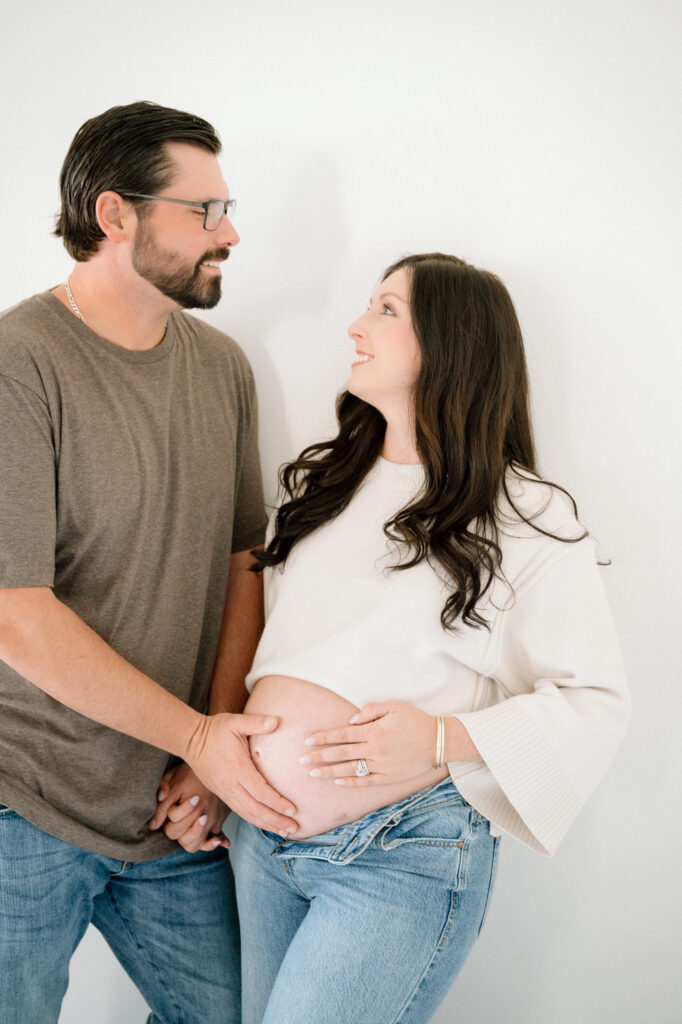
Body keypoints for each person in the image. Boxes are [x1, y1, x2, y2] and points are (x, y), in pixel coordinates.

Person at [228, 253, 631, 1024]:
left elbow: (596, 701)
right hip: (262, 842)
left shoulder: (524, 514)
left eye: (386, 309)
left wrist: (443, 738)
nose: (356, 326)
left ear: (451, 342)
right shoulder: (321, 487)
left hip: (397, 850)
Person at [0, 100, 298, 1024]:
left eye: (226, 209)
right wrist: (200, 739)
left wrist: (212, 743)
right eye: (205, 211)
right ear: (115, 214)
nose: (229, 233)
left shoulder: (222, 367)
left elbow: (243, 560)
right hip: (21, 803)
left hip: (170, 811)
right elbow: (16, 613)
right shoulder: (19, 363)